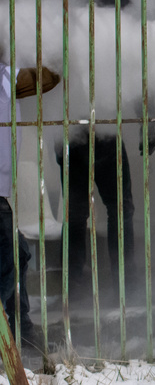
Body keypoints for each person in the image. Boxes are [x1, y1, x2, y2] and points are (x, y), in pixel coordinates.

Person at [55, 105, 155, 302]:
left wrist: (148, 124)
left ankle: (77, 285)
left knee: (91, 212)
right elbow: (137, 81)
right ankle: (123, 284)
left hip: (88, 133)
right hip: (86, 133)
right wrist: (148, 125)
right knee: (116, 210)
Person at [0, 60, 60, 348]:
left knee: (17, 254)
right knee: (13, 258)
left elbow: (46, 78)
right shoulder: (6, 77)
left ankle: (20, 328)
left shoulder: (6, 76)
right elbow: (47, 77)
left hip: (0, 193)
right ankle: (15, 331)